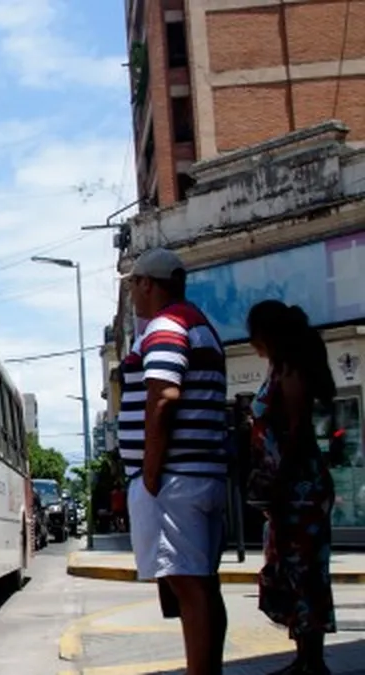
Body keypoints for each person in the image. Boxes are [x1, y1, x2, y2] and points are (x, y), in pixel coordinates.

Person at [117, 248, 229, 675]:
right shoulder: (200, 325)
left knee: (188, 583)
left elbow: (162, 397)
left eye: (133, 284)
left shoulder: (166, 325)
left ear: (149, 283)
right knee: (198, 582)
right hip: (195, 475)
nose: (132, 293)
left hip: (174, 480)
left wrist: (149, 472)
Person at [246, 300, 337, 675]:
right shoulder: (277, 368)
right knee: (291, 569)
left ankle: (312, 661)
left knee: (304, 571)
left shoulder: (291, 371)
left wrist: (280, 482)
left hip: (299, 489)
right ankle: (304, 657)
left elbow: (298, 432)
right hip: (289, 489)